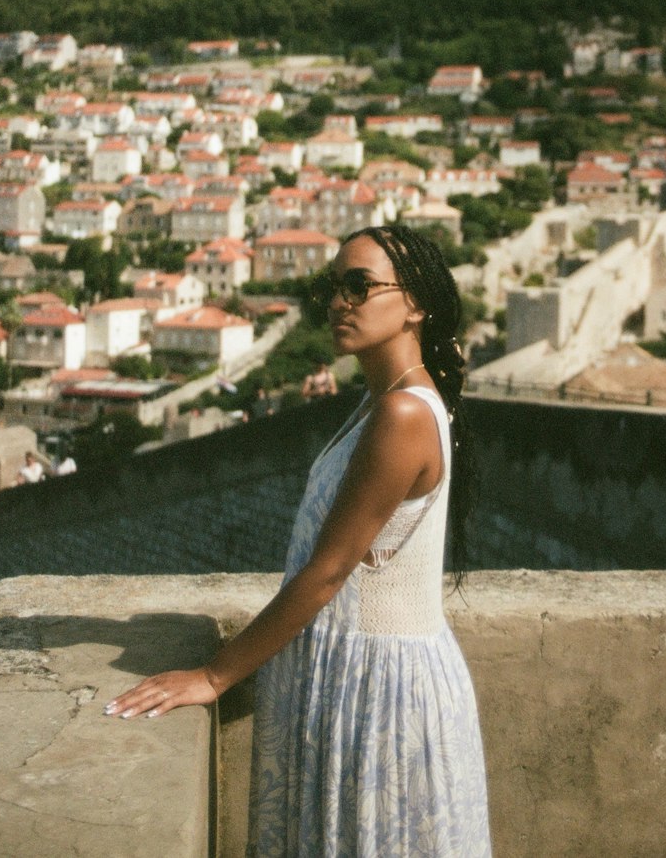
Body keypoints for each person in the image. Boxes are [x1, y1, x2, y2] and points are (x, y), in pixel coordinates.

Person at [105, 224, 492, 857]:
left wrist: (212, 675)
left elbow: (328, 572)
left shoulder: (401, 415)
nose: (341, 302)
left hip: (379, 693)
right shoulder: (382, 403)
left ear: (415, 304)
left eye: (360, 286)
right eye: (334, 286)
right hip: (361, 678)